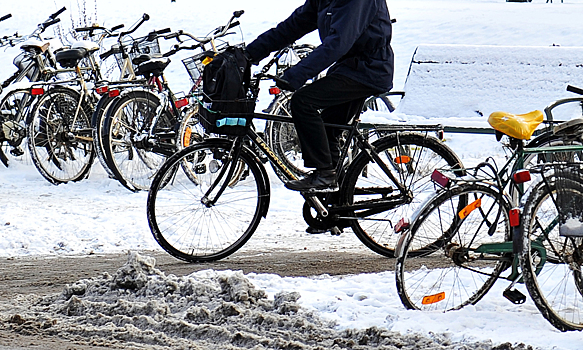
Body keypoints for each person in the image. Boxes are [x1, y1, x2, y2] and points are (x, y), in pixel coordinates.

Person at [245, 0, 394, 193]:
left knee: (303, 101)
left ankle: (325, 174)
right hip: (349, 69)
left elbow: (338, 43)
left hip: (370, 69)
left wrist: (295, 75)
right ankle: (334, 202)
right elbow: (292, 26)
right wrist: (249, 54)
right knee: (328, 127)